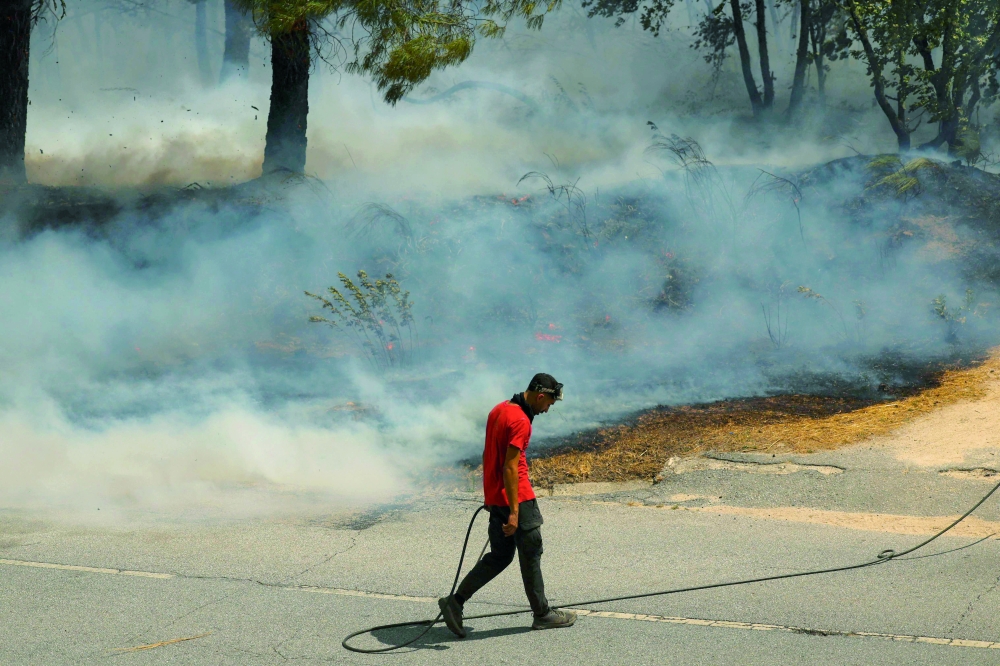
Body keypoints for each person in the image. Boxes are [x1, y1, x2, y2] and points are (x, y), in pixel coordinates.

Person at [438, 373, 577, 637]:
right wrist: (514, 512)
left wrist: (490, 496)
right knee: (531, 553)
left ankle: (454, 602)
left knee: (500, 556)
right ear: (540, 396)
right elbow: (510, 467)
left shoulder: (499, 409)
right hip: (518, 499)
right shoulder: (521, 421)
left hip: (497, 497)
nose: (547, 409)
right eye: (548, 403)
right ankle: (543, 614)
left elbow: (488, 454)